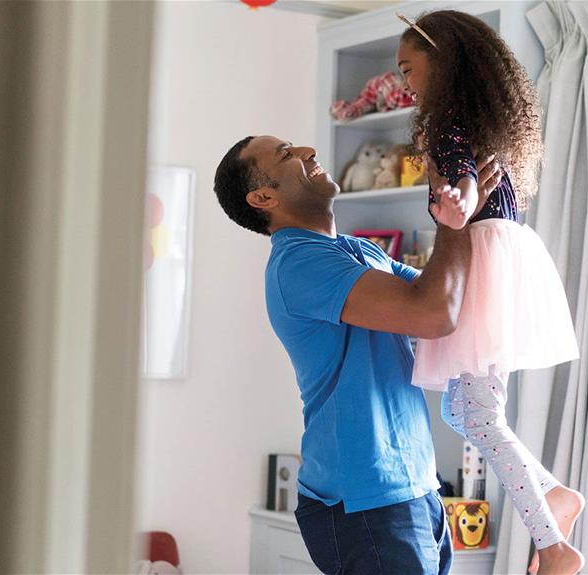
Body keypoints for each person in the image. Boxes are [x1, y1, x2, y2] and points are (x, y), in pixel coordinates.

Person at [213, 134, 504, 574]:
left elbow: (452, 301)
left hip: (414, 485)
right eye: (287, 155)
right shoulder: (299, 265)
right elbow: (433, 314)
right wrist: (453, 220)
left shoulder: (358, 250)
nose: (308, 151)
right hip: (366, 499)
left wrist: (466, 207)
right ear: (263, 197)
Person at [396, 10, 585, 575]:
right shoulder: (481, 119)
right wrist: (454, 200)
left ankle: (552, 544)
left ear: (443, 59)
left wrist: (453, 201)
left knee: (476, 413)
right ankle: (553, 494)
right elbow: (467, 177)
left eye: (409, 68)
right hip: (497, 254)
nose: (405, 82)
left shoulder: (449, 119)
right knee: (464, 408)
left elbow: (463, 176)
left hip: (481, 260)